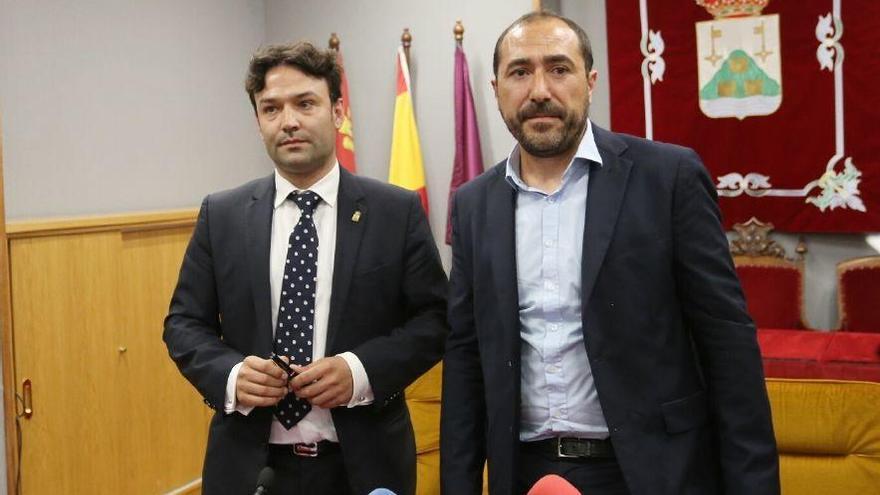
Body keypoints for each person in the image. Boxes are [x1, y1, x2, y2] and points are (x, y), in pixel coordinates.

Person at [440, 12, 779, 495]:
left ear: (590, 81)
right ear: (496, 88)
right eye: (520, 72)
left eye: (559, 69)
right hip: (527, 473)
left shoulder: (669, 177)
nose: (539, 90)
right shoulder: (474, 204)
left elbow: (727, 345)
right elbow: (466, 355)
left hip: (655, 472)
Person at [164, 41, 447, 495]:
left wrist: (359, 371)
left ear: (337, 112)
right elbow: (183, 324)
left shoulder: (395, 212)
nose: (289, 121)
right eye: (271, 108)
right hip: (250, 469)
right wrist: (232, 375)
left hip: (364, 467)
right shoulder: (222, 215)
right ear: (258, 122)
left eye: (305, 103)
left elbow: (437, 320)